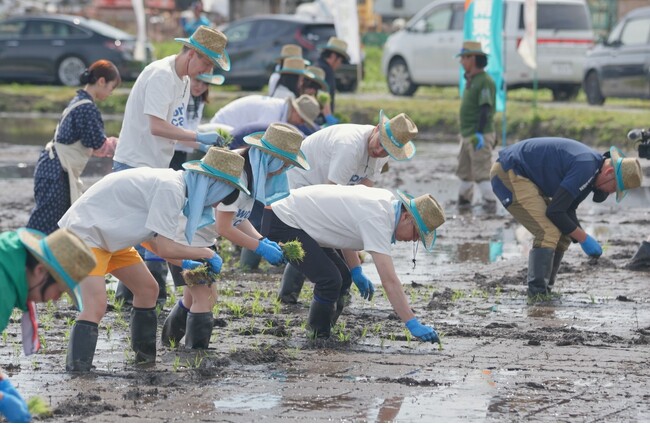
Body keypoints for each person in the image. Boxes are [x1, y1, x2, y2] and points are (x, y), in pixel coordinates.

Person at [58, 147, 249, 371]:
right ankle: (78, 372)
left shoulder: (177, 187)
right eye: (226, 194)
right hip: (84, 234)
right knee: (96, 305)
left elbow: (154, 242)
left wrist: (186, 263)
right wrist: (206, 253)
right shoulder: (172, 189)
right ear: (214, 185)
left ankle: (144, 359)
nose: (221, 203)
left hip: (111, 239)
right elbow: (166, 246)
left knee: (148, 290)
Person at [162, 123, 307, 347]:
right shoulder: (236, 172)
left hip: (201, 238)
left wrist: (261, 239)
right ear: (272, 158)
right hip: (187, 238)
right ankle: (196, 354)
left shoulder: (254, 168)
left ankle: (169, 343)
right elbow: (225, 227)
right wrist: (258, 248)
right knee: (206, 298)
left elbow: (237, 216)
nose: (283, 170)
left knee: (193, 297)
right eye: (285, 164)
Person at [262, 184, 445, 341]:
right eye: (416, 233)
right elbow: (390, 281)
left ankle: (325, 328)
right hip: (284, 219)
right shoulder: (379, 219)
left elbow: (345, 231)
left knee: (343, 275)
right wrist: (412, 323)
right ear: (406, 217)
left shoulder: (385, 202)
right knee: (329, 280)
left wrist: (356, 269)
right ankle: (317, 336)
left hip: (300, 219)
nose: (414, 240)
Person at [279, 110, 418, 304]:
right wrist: (354, 266)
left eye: (387, 151)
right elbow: (333, 206)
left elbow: (360, 201)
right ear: (377, 129)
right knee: (311, 236)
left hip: (325, 190)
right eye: (380, 144)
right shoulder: (349, 146)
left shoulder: (382, 155)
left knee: (331, 240)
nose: (380, 151)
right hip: (301, 182)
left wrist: (358, 244)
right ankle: (288, 297)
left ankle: (338, 295)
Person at [490, 138, 643, 298]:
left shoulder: (592, 172)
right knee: (547, 231)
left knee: (564, 235)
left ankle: (546, 289)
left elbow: (567, 210)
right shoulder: (586, 167)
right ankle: (537, 295)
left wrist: (581, 237)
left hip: (525, 176)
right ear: (609, 173)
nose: (610, 193)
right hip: (509, 172)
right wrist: (584, 239)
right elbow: (555, 212)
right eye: (614, 188)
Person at [0, 227, 96, 423]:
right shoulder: (2, 290)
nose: (54, 299)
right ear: (40, 270)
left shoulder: (8, 260)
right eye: (59, 290)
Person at [112, 25, 230, 172]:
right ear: (192, 54)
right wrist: (198, 136)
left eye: (211, 66)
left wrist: (202, 146)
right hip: (134, 164)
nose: (207, 71)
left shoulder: (185, 80)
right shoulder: (162, 75)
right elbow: (157, 127)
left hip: (155, 166)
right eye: (206, 64)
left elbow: (175, 129)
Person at [27, 60, 121, 235]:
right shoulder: (86, 108)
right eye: (111, 87)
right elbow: (99, 145)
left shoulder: (79, 101)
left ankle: (38, 260)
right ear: (101, 81)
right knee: (46, 225)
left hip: (53, 167)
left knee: (56, 224)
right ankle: (23, 258)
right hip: (57, 171)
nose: (110, 93)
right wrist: (123, 145)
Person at [456, 40, 497, 213]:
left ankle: (490, 204)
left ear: (473, 59)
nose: (461, 61)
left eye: (464, 58)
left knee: (481, 173)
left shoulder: (484, 81)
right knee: (465, 172)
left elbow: (485, 109)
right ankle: (464, 202)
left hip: (478, 135)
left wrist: (479, 133)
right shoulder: (471, 80)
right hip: (467, 135)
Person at [206, 94, 320, 144]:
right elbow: (257, 140)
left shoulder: (278, 108)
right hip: (220, 131)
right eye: (302, 119)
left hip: (231, 131)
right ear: (295, 110)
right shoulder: (272, 113)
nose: (301, 124)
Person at [170, 73, 225, 171]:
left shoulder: (199, 101)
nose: (200, 86)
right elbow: (176, 134)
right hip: (170, 152)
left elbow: (191, 129)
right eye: (197, 80)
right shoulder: (178, 98)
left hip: (183, 152)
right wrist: (203, 146)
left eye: (205, 83)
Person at [317, 36, 349, 115]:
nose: (339, 64)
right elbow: (324, 96)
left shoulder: (317, 65)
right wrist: (328, 116)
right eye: (340, 61)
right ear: (333, 56)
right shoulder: (327, 71)